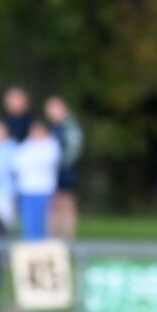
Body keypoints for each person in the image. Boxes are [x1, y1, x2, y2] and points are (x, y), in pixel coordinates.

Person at [44, 95, 85, 240]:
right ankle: (54, 241)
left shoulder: (69, 126)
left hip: (64, 173)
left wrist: (54, 165)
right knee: (53, 207)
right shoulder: (54, 126)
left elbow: (73, 151)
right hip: (53, 173)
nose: (51, 112)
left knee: (65, 206)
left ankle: (68, 240)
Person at [12, 120, 61, 241]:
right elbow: (17, 165)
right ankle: (29, 244)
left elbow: (45, 163)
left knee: (42, 220)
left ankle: (41, 245)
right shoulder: (26, 145)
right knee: (28, 220)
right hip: (26, 188)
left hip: (43, 189)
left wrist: (31, 164)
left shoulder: (51, 145)